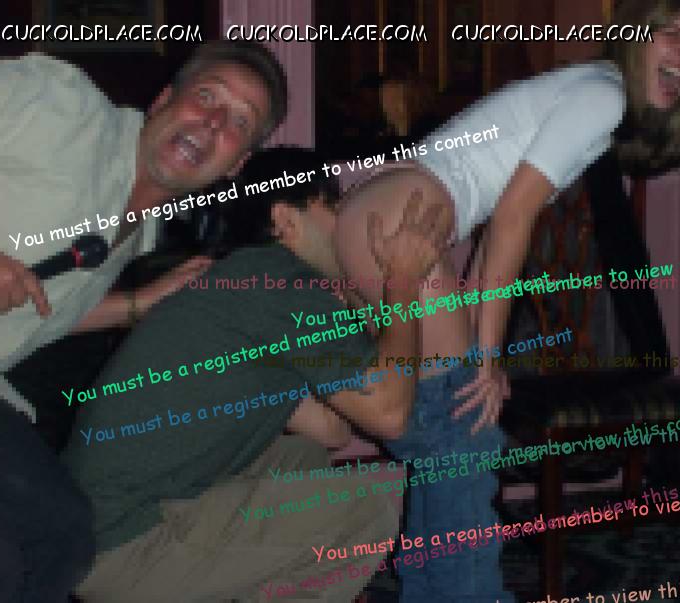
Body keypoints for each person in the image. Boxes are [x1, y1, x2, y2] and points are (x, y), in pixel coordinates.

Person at [333, 2, 680, 601]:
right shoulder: (604, 96)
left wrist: (483, 348)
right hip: (404, 219)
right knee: (464, 434)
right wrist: (486, 358)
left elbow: (498, 223)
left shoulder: (592, 92)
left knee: (448, 443)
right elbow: (513, 217)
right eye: (672, 33)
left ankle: (433, 588)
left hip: (389, 216)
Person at [62, 146, 452, 602]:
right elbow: (388, 414)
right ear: (286, 219)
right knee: (368, 508)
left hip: (93, 525)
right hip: (123, 541)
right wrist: (402, 283)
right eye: (334, 207)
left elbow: (332, 430)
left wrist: (360, 300)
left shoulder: (252, 283)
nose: (347, 224)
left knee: (301, 461)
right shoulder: (283, 284)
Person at [0, 40, 287, 602]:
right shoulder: (60, 107)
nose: (214, 121)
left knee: (62, 540)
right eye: (207, 96)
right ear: (161, 101)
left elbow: (44, 309)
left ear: (236, 165)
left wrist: (138, 304)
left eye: (239, 122)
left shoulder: (136, 237)